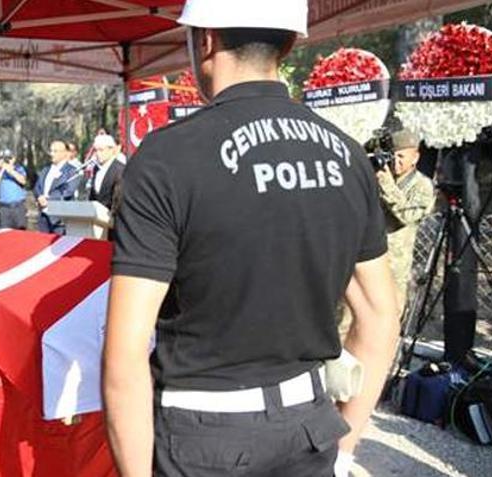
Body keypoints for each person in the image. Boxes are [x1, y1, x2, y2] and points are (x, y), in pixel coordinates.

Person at [102, 3, 400, 477]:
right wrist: (344, 447)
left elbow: (124, 353)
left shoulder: (165, 159)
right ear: (289, 42)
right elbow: (380, 313)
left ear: (205, 40)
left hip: (203, 437)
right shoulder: (346, 154)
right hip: (307, 432)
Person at [378, 129, 435, 317]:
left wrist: (387, 186)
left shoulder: (422, 185)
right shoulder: (381, 177)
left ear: (415, 157)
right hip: (369, 256)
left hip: (395, 264)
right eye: (392, 155)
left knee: (390, 317)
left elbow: (408, 215)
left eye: (401, 156)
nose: (396, 161)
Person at [32, 140, 80, 235]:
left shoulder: (72, 171)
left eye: (55, 151)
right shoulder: (45, 170)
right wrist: (39, 197)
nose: (52, 154)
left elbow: (68, 191)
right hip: (43, 217)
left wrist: (49, 200)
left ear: (65, 153)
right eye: (51, 151)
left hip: (60, 219)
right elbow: (37, 187)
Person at [0, 148, 28, 229]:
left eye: (9, 158)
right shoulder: (0, 171)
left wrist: (10, 171)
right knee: (5, 233)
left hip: (18, 206)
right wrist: (1, 170)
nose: (7, 161)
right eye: (5, 159)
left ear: (14, 159)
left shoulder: (19, 169)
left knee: (20, 232)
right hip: (4, 208)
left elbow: (23, 181)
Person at [89, 134, 125, 212]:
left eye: (101, 150)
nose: (98, 154)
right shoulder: (96, 169)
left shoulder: (119, 169)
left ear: (111, 150)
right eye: (96, 150)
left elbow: (118, 199)